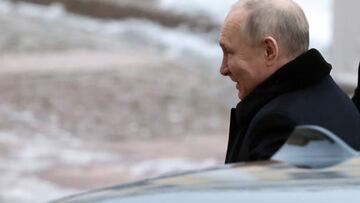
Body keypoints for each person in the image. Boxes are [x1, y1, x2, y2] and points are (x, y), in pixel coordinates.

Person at [219, 0, 360, 164]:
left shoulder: (278, 126)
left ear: (269, 51)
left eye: (229, 53)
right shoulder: (333, 98)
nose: (223, 69)